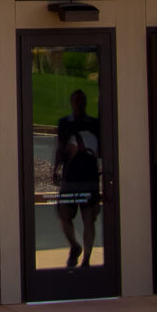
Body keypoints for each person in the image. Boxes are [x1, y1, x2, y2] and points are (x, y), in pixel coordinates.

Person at [53, 90, 103, 269]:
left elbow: (102, 150)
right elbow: (60, 147)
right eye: (76, 98)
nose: (79, 101)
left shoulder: (95, 124)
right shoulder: (65, 124)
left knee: (89, 219)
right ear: (71, 102)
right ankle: (75, 246)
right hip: (71, 177)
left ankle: (87, 260)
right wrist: (56, 168)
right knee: (64, 214)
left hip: (89, 177)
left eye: (82, 98)